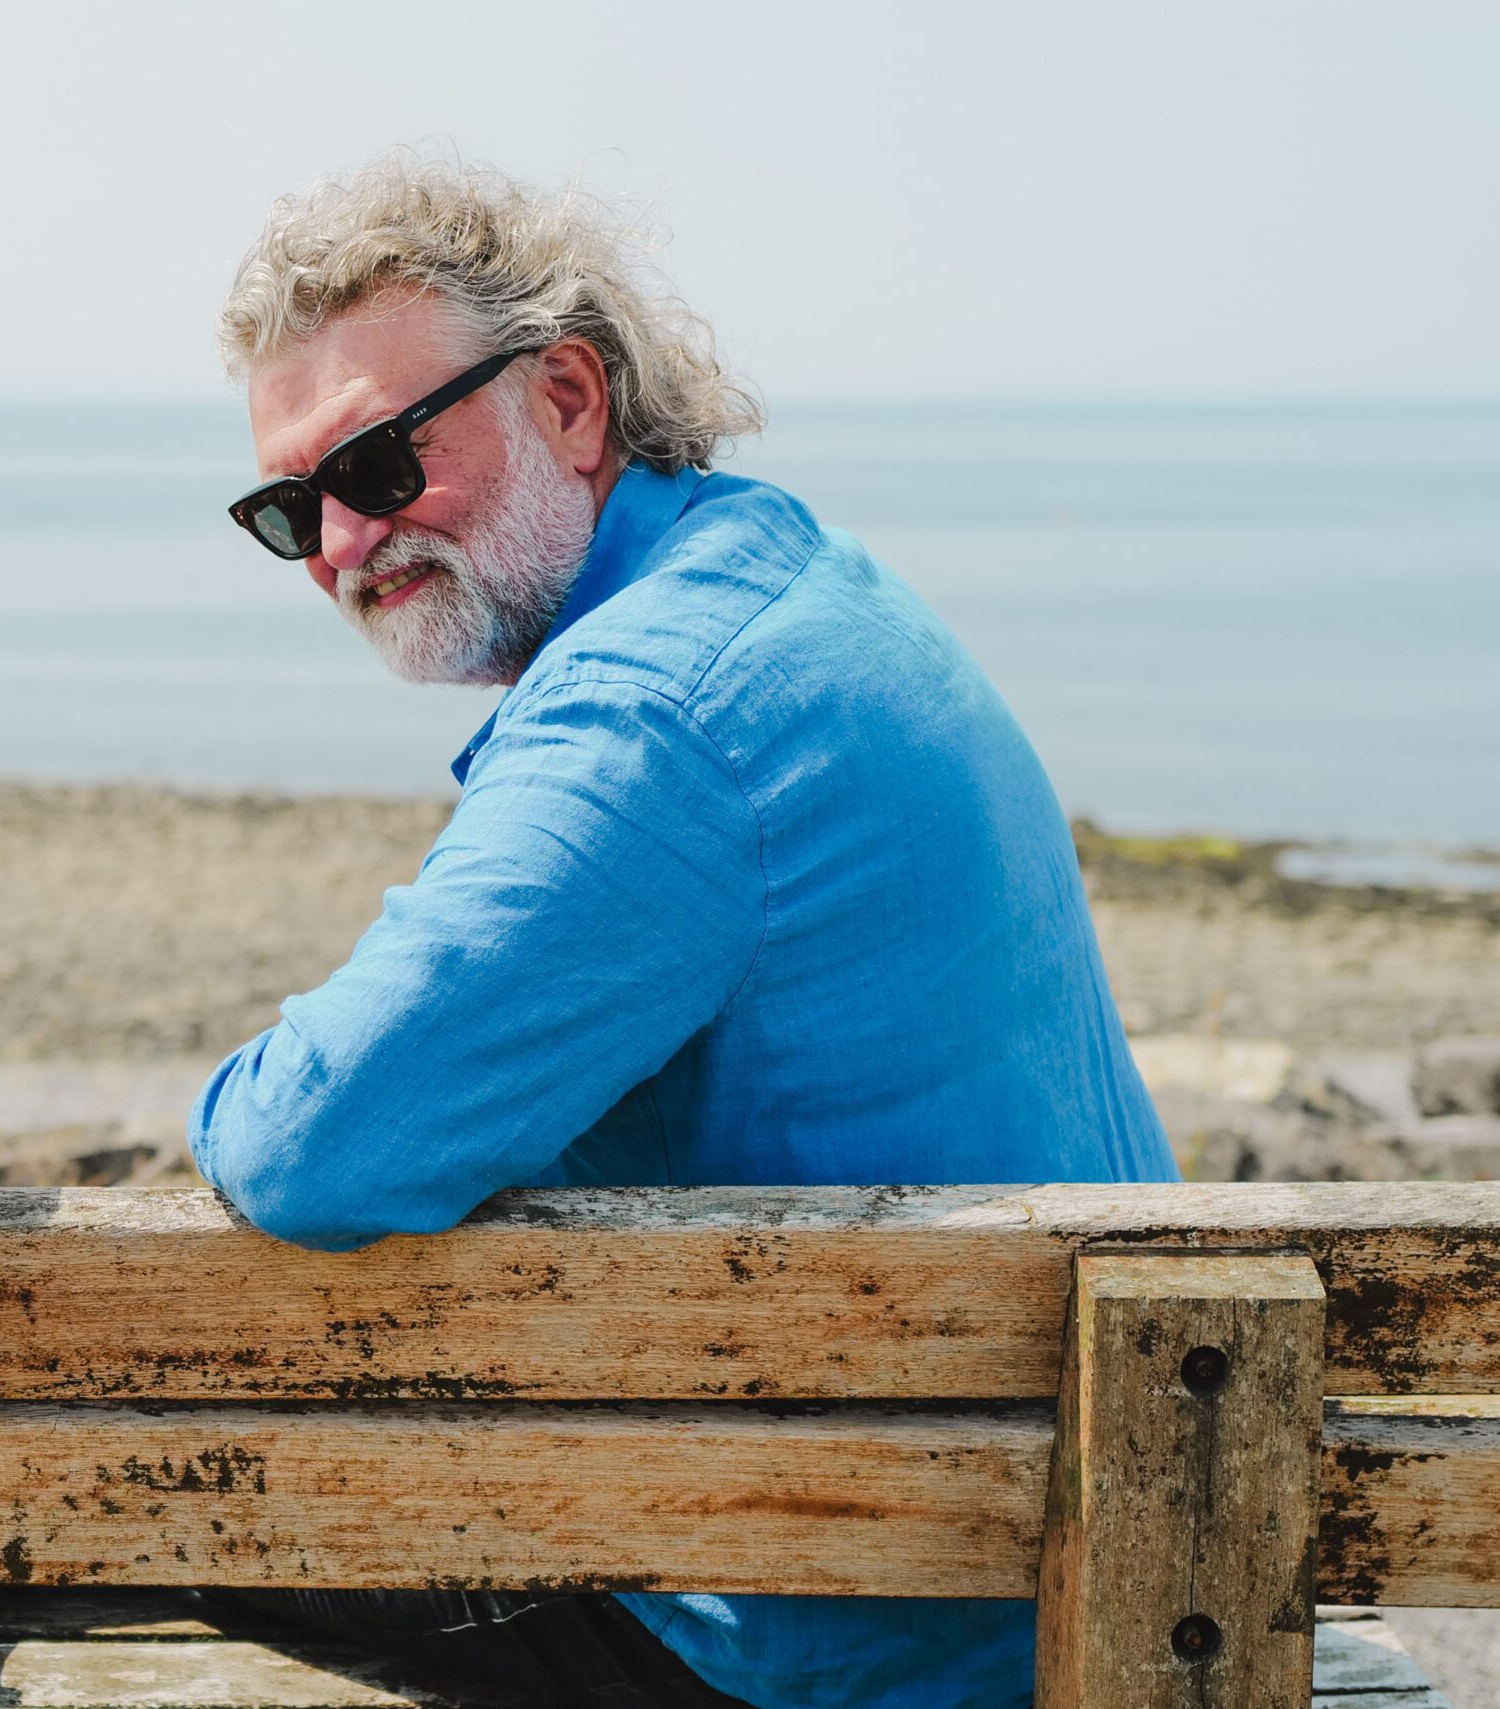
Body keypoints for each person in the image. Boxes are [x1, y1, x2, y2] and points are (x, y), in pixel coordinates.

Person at [190, 158, 1177, 1709]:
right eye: (285, 506)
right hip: (1048, 1535)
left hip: (858, 1632)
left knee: (137, 1511)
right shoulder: (786, 583)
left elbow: (308, 1146)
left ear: (569, 400)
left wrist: (229, 1093)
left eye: (378, 466)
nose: (336, 544)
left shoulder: (656, 717)